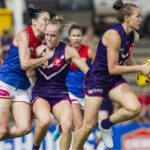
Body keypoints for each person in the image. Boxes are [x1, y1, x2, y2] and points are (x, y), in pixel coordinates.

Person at [72, 0, 150, 149]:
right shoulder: (114, 35)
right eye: (138, 16)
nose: (141, 19)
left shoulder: (133, 35)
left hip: (113, 81)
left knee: (134, 108)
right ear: (127, 18)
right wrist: (140, 67)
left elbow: (126, 55)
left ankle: (105, 124)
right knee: (87, 126)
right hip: (96, 80)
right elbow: (112, 68)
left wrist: (140, 71)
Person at [31, 18, 89, 150]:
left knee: (67, 126)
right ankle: (35, 148)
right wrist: (35, 64)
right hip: (40, 94)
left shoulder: (68, 51)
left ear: (60, 36)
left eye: (53, 35)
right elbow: (26, 69)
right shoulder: (38, 50)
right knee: (45, 121)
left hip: (60, 94)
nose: (49, 38)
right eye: (46, 35)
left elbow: (87, 71)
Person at [0, 7, 54, 141]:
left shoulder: (42, 43)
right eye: (45, 20)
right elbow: (25, 63)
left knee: (25, 128)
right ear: (34, 21)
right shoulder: (23, 35)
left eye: (49, 21)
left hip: (22, 88)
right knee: (2, 129)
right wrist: (46, 58)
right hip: (6, 83)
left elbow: (32, 70)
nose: (48, 23)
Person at [52, 24, 94, 141]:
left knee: (85, 126)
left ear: (82, 37)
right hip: (70, 92)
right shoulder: (64, 51)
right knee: (79, 126)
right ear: (69, 37)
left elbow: (96, 70)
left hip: (84, 92)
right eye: (74, 36)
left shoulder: (89, 51)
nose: (76, 38)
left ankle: (61, 127)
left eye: (79, 36)